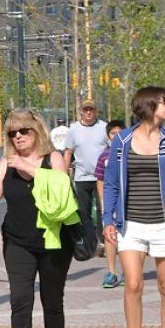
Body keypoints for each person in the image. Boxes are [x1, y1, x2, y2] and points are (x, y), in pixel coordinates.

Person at [0, 109, 72, 328]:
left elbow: (62, 187)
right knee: (20, 301)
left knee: (52, 301)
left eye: (24, 131)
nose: (18, 136)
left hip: (54, 240)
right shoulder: (6, 163)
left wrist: (29, 169)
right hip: (17, 241)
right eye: (12, 132)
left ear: (37, 132)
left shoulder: (53, 158)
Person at [103, 87, 165, 328]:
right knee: (133, 285)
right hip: (132, 224)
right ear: (151, 106)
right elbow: (112, 181)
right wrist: (108, 220)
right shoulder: (123, 141)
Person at [65, 99, 110, 272]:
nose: (89, 112)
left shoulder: (103, 128)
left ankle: (104, 243)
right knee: (83, 214)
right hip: (82, 177)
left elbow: (112, 149)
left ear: (96, 111)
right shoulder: (73, 129)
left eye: (91, 109)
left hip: (101, 178)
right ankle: (89, 245)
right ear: (81, 112)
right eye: (86, 110)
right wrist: (63, 175)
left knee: (102, 210)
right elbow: (68, 152)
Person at [95, 119, 126, 288]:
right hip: (111, 203)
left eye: (120, 133)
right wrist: (103, 202)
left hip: (128, 203)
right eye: (113, 133)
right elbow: (100, 179)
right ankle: (112, 272)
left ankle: (127, 272)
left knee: (126, 237)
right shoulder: (104, 156)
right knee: (110, 235)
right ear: (108, 136)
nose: (116, 136)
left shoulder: (132, 152)